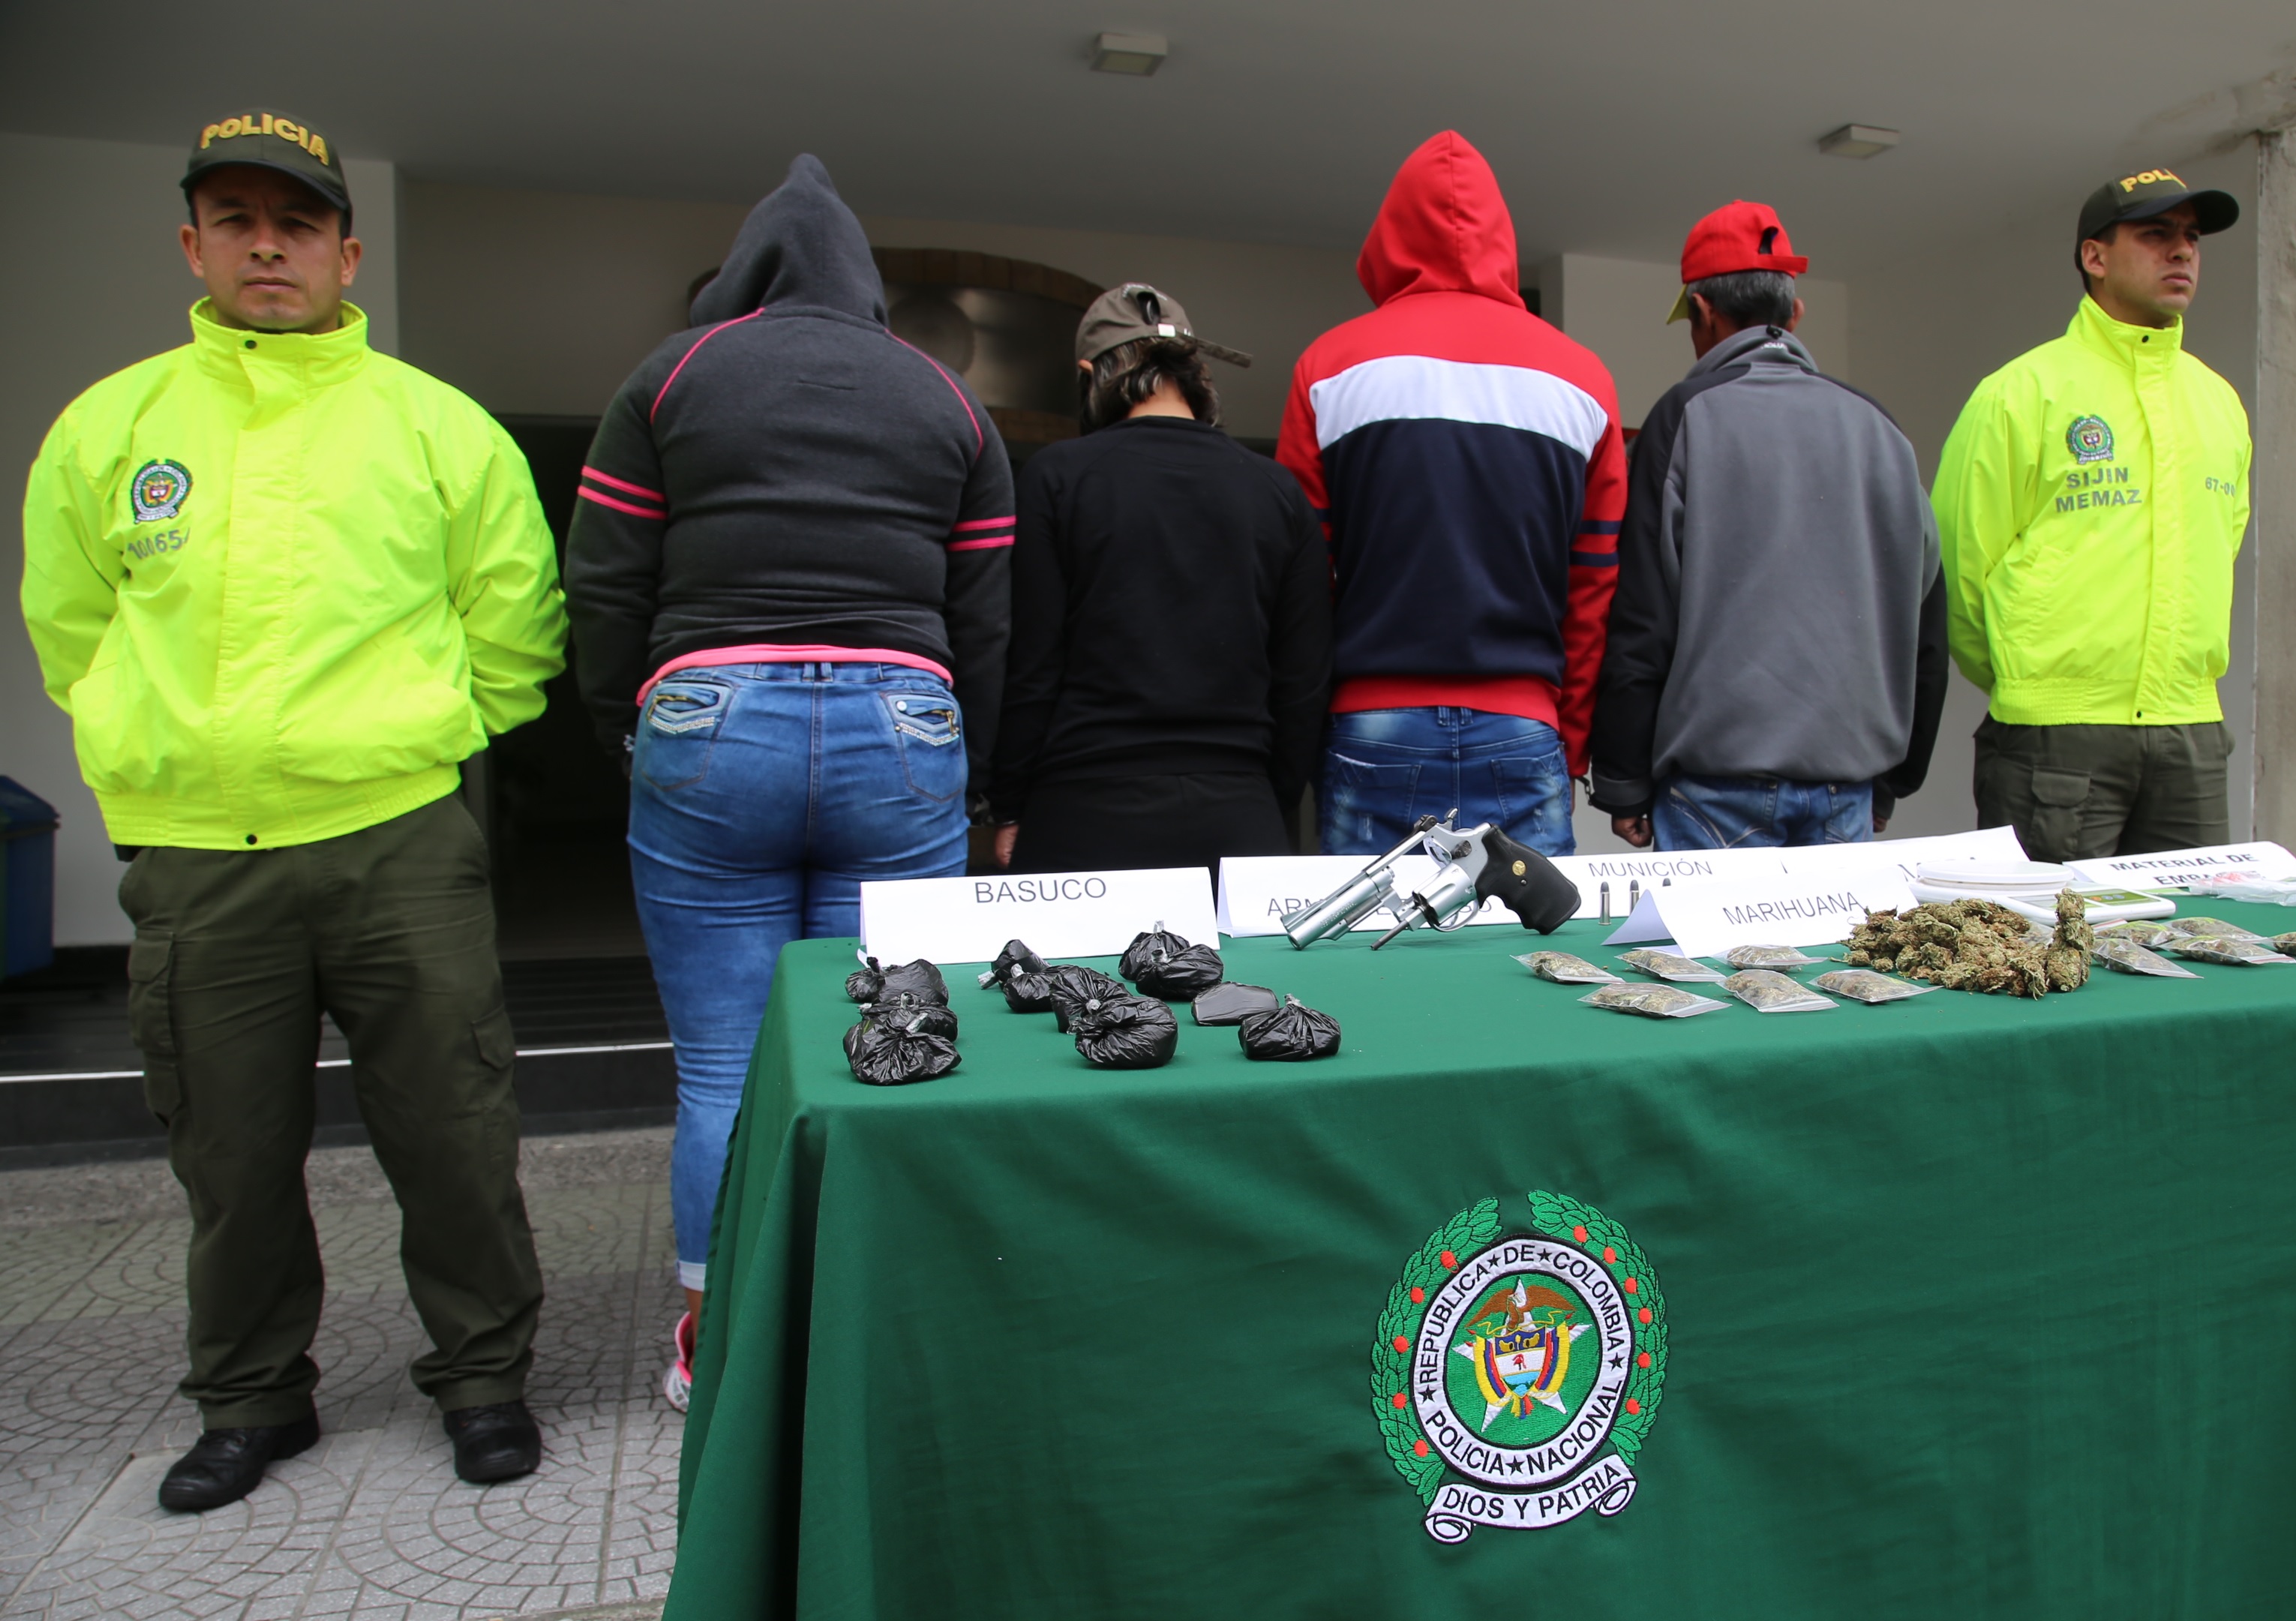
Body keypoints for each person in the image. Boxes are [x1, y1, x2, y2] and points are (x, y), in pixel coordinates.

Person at [20, 109, 563, 1509]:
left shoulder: (434, 425)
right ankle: (253, 1398)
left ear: (346, 248)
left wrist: (423, 737)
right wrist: (160, 763)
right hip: (199, 860)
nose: (270, 244)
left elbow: (516, 626)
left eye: (298, 221)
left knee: (452, 1126)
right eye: (240, 219)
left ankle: (486, 1376)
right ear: (192, 242)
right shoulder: (112, 426)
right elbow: (71, 629)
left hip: (396, 838)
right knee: (229, 1149)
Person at [563, 155, 1011, 1412]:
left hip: (713, 723)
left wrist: (629, 726)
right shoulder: (945, 400)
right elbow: (985, 615)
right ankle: (866, 1327)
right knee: (884, 1039)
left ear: (746, 274)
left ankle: (716, 1352)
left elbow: (602, 582)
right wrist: (960, 765)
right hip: (903, 720)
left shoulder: (673, 374)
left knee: (719, 1067)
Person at [1279, 131, 1626, 857]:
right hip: (1524, 721)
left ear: (1390, 235)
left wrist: (1302, 736)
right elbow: (1594, 587)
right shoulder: (1581, 378)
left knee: (1363, 962)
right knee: (1523, 966)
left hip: (1370, 721)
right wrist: (1570, 741)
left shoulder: (1329, 365)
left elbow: (1302, 579)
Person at [1590, 201, 1946, 850]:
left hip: (1712, 787)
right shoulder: (1879, 428)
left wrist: (1622, 777)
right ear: (1795, 313)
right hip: (1849, 784)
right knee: (1834, 956)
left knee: (1714, 958)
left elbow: (1641, 613)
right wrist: (1896, 777)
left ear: (1701, 313)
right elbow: (1923, 620)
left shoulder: (1681, 418)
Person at [1933, 167, 2252, 862]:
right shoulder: (2020, 393)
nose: (2182, 252)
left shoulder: (2218, 403)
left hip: (2189, 728)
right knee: (2048, 956)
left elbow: (2218, 548)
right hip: (2055, 735)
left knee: (2191, 952)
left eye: (2192, 238)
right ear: (2094, 256)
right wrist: (2031, 681)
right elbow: (1957, 568)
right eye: (2156, 234)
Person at [991, 286, 1331, 872]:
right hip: (1238, 808)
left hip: (1082, 808)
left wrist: (1009, 802)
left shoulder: (1057, 477)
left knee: (1071, 971)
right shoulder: (1277, 492)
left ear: (1088, 374)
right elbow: (1304, 678)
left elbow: (1031, 661)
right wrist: (1269, 804)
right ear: (1195, 370)